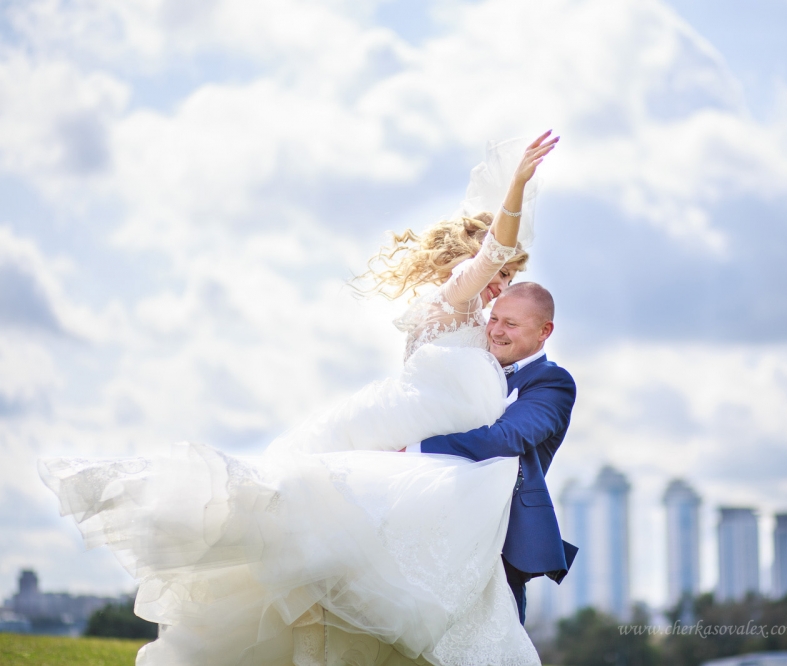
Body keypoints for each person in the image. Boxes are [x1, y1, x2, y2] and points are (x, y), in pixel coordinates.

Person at [38, 132, 572, 666]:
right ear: (467, 262)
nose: (501, 284)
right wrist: (517, 186)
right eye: (499, 274)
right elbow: (491, 253)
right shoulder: (453, 297)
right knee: (342, 552)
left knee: (365, 575)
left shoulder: (486, 330)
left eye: (510, 277)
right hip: (411, 450)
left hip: (440, 475)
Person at [410, 282, 578, 626]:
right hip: (439, 537)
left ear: (544, 331)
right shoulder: (471, 367)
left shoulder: (552, 383)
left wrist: (415, 449)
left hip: (499, 547)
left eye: (511, 324)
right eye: (495, 319)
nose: (496, 331)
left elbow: (505, 438)